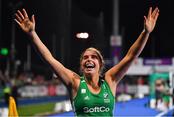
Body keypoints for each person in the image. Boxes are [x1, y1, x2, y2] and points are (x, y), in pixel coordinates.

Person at [14, 7, 159, 116]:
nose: (89, 59)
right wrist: (32, 34)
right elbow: (49, 58)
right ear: (82, 65)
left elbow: (130, 56)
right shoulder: (75, 82)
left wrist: (145, 32)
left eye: (93, 57)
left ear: (100, 64)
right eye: (85, 57)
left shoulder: (110, 80)